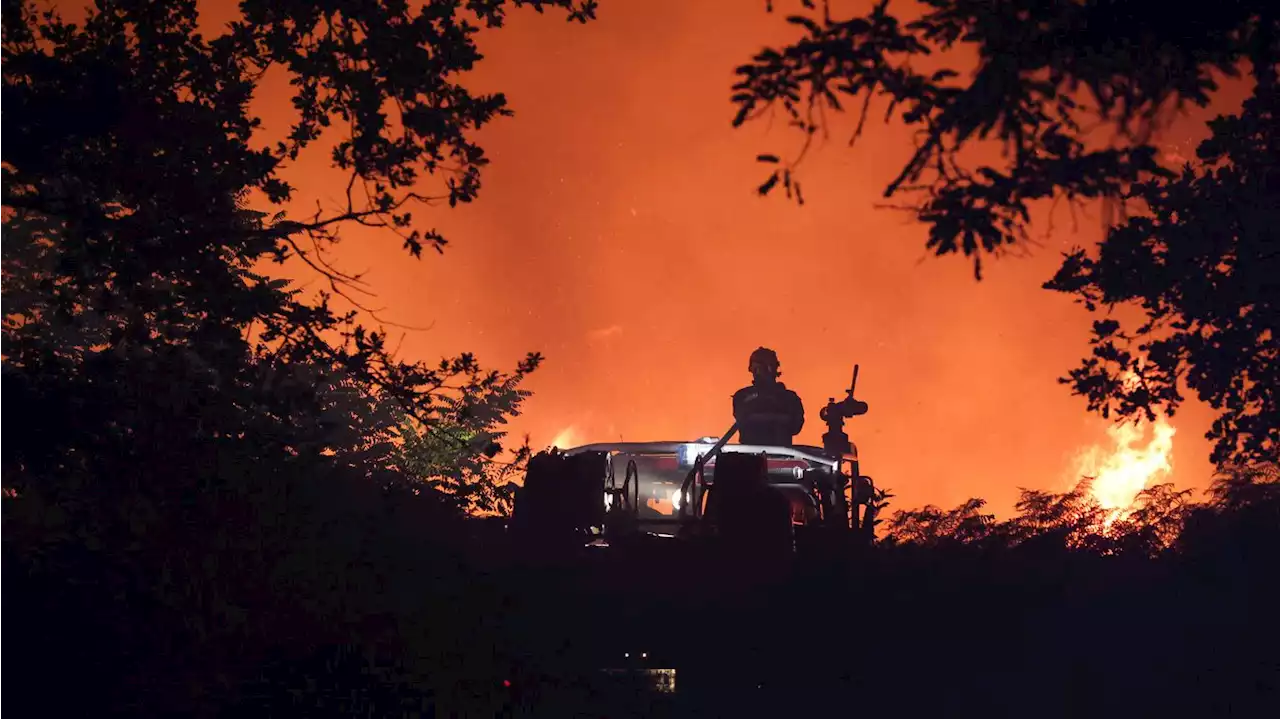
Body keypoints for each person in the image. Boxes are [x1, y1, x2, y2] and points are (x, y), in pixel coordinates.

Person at [732, 347, 805, 447]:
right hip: (750, 457)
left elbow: (796, 426)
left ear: (771, 368)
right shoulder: (742, 396)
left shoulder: (789, 398)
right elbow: (741, 419)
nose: (757, 373)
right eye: (755, 369)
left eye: (759, 368)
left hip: (780, 456)